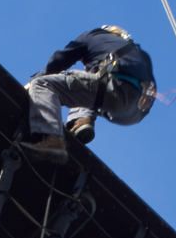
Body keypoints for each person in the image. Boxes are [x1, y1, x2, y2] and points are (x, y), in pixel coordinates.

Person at [23, 23, 156, 160]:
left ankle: (51, 139)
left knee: (42, 84)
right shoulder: (141, 55)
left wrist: (33, 81)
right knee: (88, 85)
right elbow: (152, 88)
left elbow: (60, 60)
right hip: (133, 113)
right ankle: (81, 121)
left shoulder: (93, 36)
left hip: (111, 87)